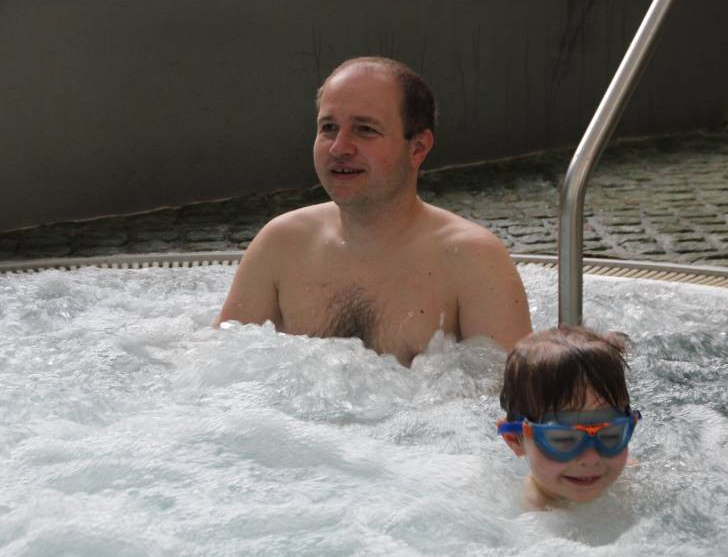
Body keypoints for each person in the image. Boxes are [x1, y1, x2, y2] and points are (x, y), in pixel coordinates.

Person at [216, 56, 532, 365]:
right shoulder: (282, 244)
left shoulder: (472, 261)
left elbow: (509, 394)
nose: (339, 147)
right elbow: (219, 373)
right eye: (328, 127)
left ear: (418, 148)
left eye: (365, 129)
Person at [497, 326, 641, 510]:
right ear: (514, 440)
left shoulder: (631, 476)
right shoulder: (533, 516)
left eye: (611, 435)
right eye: (563, 439)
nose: (591, 458)